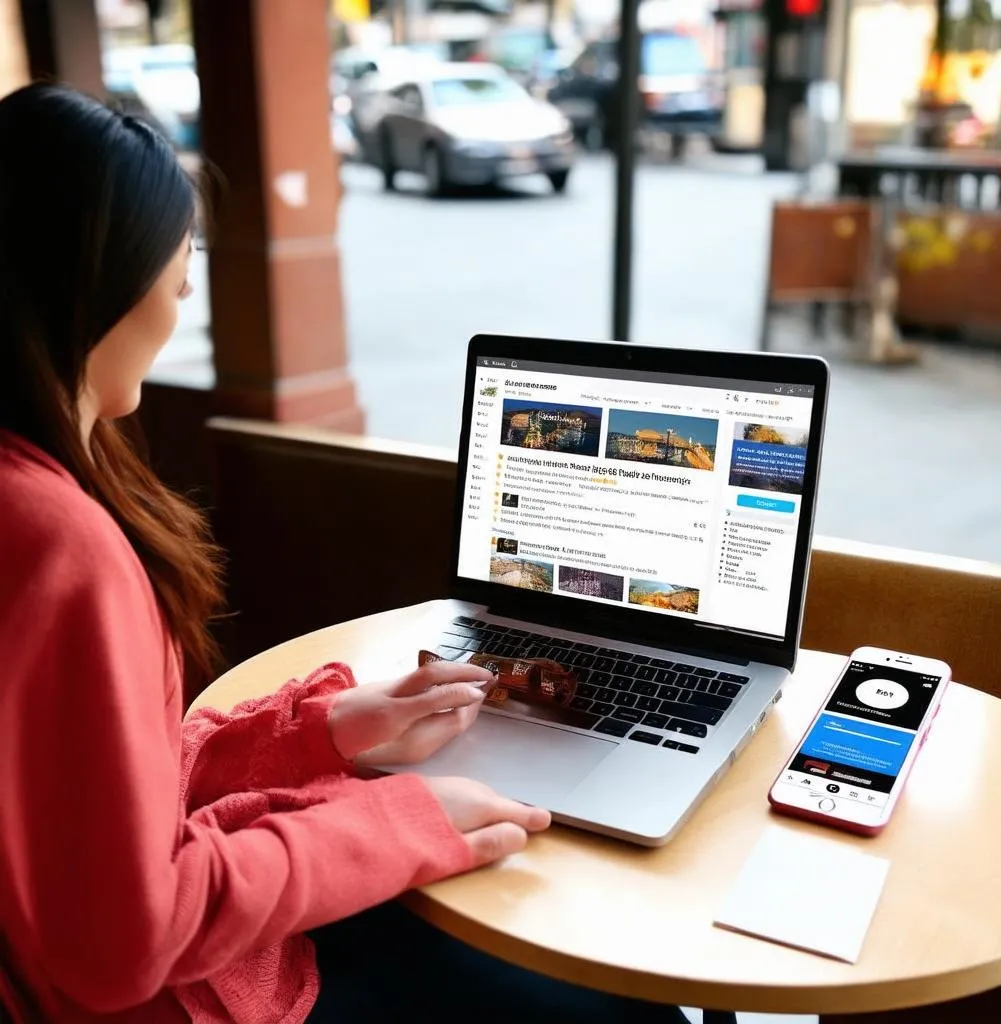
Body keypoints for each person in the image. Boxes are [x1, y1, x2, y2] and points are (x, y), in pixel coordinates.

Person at [0, 84, 684, 1023]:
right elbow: (125, 941)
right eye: (177, 254)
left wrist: (322, 730)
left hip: (169, 961)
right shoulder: (55, 543)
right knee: (624, 1008)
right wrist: (402, 822)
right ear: (95, 278)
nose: (187, 285)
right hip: (187, 1002)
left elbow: (101, 798)